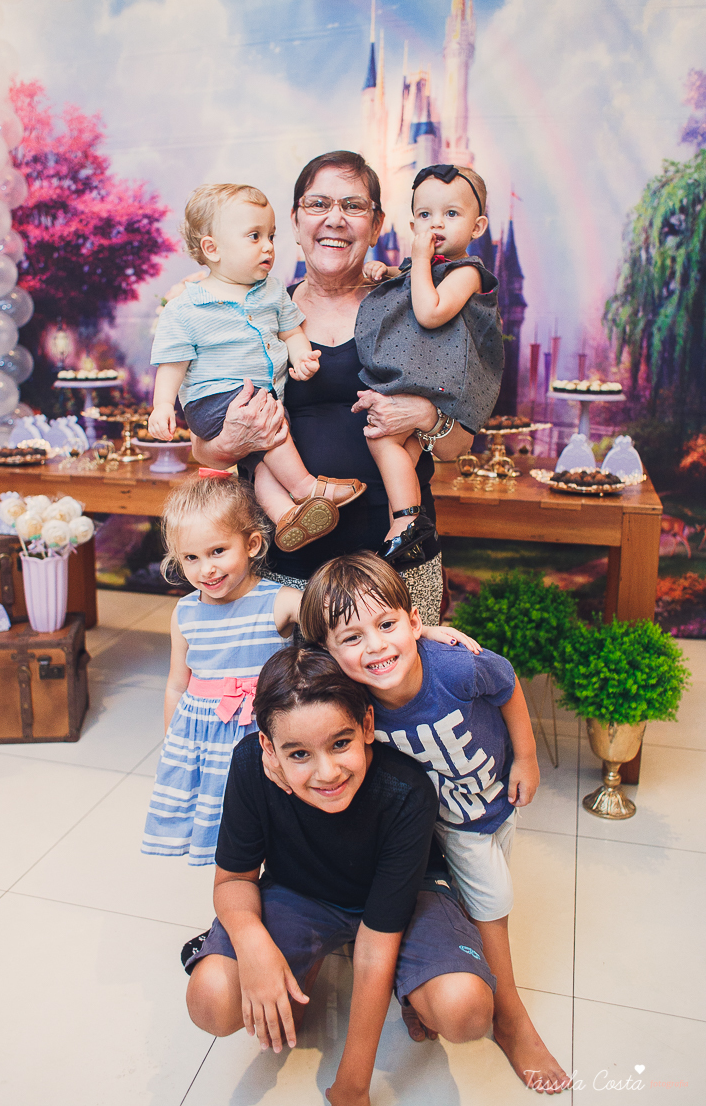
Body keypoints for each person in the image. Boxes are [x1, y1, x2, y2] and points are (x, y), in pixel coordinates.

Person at [297, 553, 571, 1095]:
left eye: (387, 625)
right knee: (491, 900)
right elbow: (292, 673)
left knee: (477, 897)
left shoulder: (454, 667)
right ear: (327, 653)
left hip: (493, 802)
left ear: (415, 621)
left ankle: (428, 982)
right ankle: (510, 1016)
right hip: (441, 826)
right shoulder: (348, 695)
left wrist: (527, 758)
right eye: (351, 638)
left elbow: (508, 686)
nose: (375, 646)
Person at [184, 646, 497, 1106]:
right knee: (211, 998)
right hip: (302, 891)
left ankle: (410, 988)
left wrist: (352, 1086)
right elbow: (233, 881)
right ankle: (306, 963)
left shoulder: (405, 790)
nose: (327, 772)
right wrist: (255, 949)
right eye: (298, 754)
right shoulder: (252, 764)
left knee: (465, 1009)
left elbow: (376, 945)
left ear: (367, 726)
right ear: (269, 749)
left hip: (402, 903)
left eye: (340, 743)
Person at [180, 152, 481, 623]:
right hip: (283, 564)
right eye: (318, 204)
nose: (334, 219)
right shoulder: (251, 313)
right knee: (296, 694)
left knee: (398, 690)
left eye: (354, 206)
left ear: (377, 224)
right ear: (296, 222)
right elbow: (203, 447)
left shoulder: (420, 309)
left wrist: (424, 417)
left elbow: (455, 447)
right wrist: (230, 441)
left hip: (395, 562)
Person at [148, 182, 365, 553]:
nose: (267, 246)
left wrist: (300, 355)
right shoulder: (188, 306)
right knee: (271, 426)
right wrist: (163, 405)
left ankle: (286, 518)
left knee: (261, 454)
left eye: (271, 236)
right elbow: (173, 362)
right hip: (215, 398)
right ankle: (306, 488)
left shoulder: (272, 291)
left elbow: (292, 329)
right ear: (212, 249)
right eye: (254, 236)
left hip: (260, 396)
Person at [141, 472, 302, 865]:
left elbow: (341, 616)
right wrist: (172, 745)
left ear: (251, 544)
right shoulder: (185, 613)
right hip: (205, 744)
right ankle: (232, 907)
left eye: (217, 551)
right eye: (191, 558)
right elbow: (177, 685)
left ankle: (280, 903)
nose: (206, 570)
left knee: (275, 826)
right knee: (228, 840)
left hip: (263, 734)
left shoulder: (279, 601)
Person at [357, 164, 503, 562]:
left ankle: (406, 520)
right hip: (426, 377)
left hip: (445, 382)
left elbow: (429, 311)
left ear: (477, 227)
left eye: (451, 214)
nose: (436, 224)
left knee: (382, 438)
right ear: (411, 221)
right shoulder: (423, 268)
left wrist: (417, 258)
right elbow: (409, 284)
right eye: (425, 215)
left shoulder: (469, 273)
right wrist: (386, 271)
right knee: (401, 447)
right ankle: (403, 532)